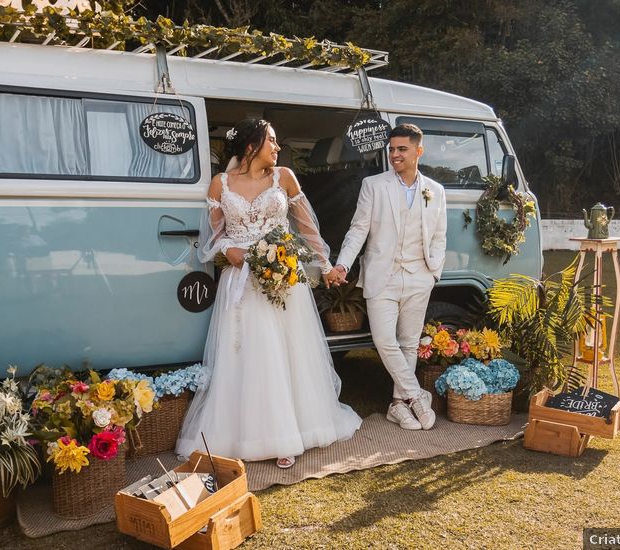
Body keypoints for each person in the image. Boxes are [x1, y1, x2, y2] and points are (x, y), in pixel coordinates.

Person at [176, 118, 361, 469]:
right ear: (251, 146)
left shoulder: (285, 178)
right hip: (241, 283)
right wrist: (230, 250)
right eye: (272, 141)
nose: (277, 148)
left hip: (283, 282)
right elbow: (213, 239)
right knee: (248, 358)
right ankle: (245, 435)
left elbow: (307, 227)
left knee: (284, 356)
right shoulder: (221, 184)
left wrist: (324, 264)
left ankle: (287, 436)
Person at [334, 123, 447, 431]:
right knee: (385, 340)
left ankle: (398, 404)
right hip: (381, 275)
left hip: (419, 276)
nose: (394, 154)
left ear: (418, 151)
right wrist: (343, 264)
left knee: (409, 342)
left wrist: (432, 272)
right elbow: (359, 229)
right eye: (392, 149)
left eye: (402, 149)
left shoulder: (435, 191)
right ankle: (416, 396)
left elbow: (439, 235)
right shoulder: (374, 185)